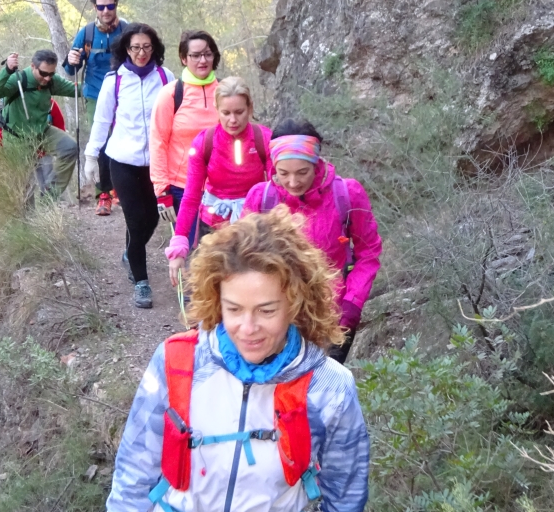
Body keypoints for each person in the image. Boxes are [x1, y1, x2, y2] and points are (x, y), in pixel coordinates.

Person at [91, 207, 369, 512]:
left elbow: (345, 503)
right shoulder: (177, 362)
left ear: (296, 302)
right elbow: (133, 475)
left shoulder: (328, 388)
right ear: (215, 299)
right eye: (234, 309)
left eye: (266, 310)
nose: (248, 327)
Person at [243, 118, 382, 364]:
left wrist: (352, 304)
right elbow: (242, 259)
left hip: (333, 317)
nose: (293, 182)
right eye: (283, 173)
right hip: (275, 319)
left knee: (323, 385)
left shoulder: (347, 195)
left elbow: (368, 253)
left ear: (316, 163)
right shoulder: (260, 199)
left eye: (302, 172)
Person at [83, 23, 174, 309]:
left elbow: (177, 117)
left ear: (154, 48)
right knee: (135, 220)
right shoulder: (115, 80)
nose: (141, 53)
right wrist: (91, 156)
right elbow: (101, 120)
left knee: (153, 218)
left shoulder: (166, 77)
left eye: (146, 47)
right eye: (135, 47)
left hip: (157, 163)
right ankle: (141, 282)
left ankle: (130, 253)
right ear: (126, 49)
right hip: (122, 161)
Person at [165, 76, 272, 287]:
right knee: (211, 289)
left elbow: (278, 191)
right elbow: (191, 197)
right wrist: (179, 245)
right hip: (212, 227)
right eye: (226, 113)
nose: (233, 120)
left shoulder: (265, 139)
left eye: (239, 112)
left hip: (253, 228)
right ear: (217, 110)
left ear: (250, 108)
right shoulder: (204, 142)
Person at [149, 30, 221, 236]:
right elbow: (158, 143)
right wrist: (162, 192)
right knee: (187, 249)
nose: (202, 60)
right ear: (183, 58)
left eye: (207, 54)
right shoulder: (171, 94)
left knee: (222, 252)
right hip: (182, 188)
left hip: (221, 188)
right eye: (195, 55)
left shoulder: (226, 92)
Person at [65, 0, 128, 215]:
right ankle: (103, 194)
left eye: (110, 6)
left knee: (124, 140)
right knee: (100, 142)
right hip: (95, 95)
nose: (106, 11)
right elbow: (71, 69)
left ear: (116, 5)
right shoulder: (87, 33)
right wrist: (72, 60)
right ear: (95, 7)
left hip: (123, 93)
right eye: (101, 7)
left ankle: (123, 188)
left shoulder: (127, 30)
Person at [0, 50, 79, 196]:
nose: (47, 78)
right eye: (43, 73)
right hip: (16, 137)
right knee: (24, 187)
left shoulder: (51, 80)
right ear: (33, 66)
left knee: (69, 147)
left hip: (42, 130)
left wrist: (105, 83)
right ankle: (27, 211)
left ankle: (50, 195)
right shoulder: (18, 79)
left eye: (51, 73)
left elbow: (76, 90)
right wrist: (7, 70)